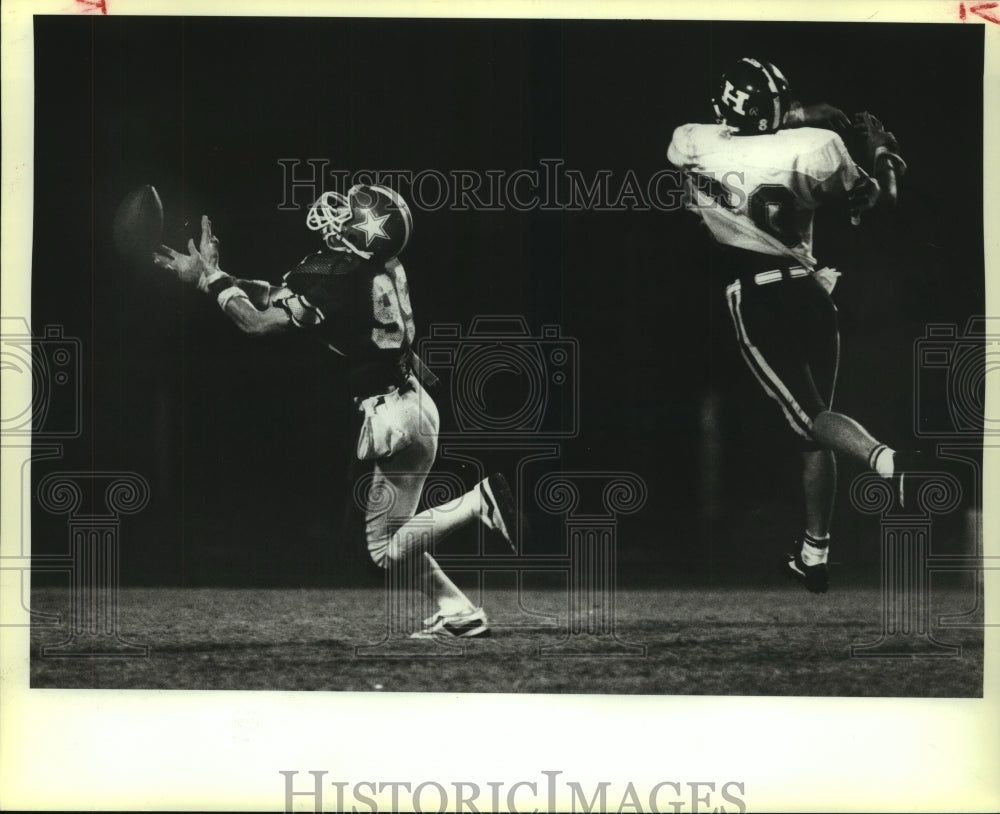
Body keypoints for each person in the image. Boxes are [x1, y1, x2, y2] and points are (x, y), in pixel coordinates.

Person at [152, 184, 518, 637]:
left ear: (362, 234)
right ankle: (458, 610)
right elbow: (279, 295)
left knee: (379, 552)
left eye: (349, 212)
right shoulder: (377, 265)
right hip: (414, 405)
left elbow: (257, 322)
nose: (337, 212)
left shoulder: (336, 275)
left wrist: (211, 281)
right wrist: (217, 274)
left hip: (391, 415)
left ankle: (476, 503)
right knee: (396, 536)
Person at [666, 57, 914, 594]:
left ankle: (892, 463)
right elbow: (880, 203)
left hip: (756, 295)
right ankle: (814, 553)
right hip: (811, 293)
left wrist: (787, 114)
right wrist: (882, 153)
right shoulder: (817, 147)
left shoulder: (689, 140)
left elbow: (754, 128)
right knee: (814, 425)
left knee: (809, 421)